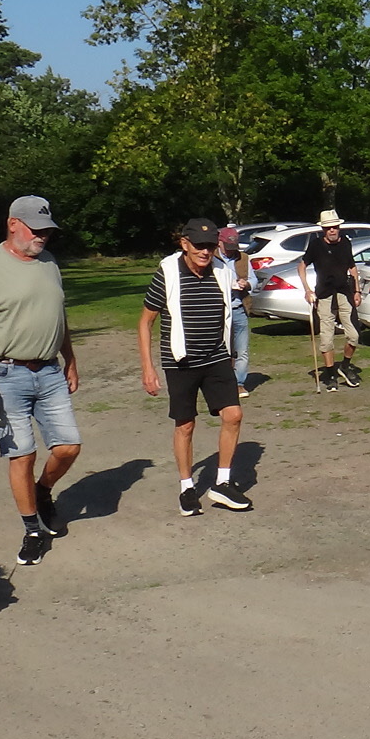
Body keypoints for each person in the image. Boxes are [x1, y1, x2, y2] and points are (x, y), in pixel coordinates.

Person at [0, 195, 81, 566]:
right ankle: (32, 530)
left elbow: (58, 317)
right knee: (22, 454)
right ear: (13, 224)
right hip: (5, 374)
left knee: (69, 447)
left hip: (50, 371)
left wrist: (71, 359)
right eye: (35, 229)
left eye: (47, 231)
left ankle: (42, 491)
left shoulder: (49, 263)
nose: (42, 236)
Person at [138, 217, 253, 517]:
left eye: (210, 246)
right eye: (199, 246)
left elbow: (228, 313)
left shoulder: (221, 270)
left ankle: (222, 483)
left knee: (234, 415)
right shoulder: (168, 272)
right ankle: (187, 487)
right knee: (185, 424)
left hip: (216, 356)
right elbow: (145, 322)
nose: (205, 252)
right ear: (184, 244)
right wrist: (148, 368)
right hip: (181, 360)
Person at [299, 209, 361, 391]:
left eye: (334, 227)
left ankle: (345, 366)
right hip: (324, 294)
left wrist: (357, 290)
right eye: (328, 228)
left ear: (339, 227)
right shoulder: (316, 245)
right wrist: (307, 290)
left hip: (344, 292)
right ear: (323, 230)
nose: (332, 230)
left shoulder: (346, 243)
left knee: (354, 335)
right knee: (327, 337)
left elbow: (352, 267)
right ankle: (330, 373)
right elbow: (301, 266)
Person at [215, 223, 255, 398]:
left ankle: (239, 383)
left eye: (234, 246)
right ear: (219, 242)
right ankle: (221, 382)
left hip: (239, 309)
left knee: (241, 350)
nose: (231, 250)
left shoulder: (243, 258)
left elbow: (254, 280)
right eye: (228, 246)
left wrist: (247, 284)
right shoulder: (211, 258)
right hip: (219, 310)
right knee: (221, 348)